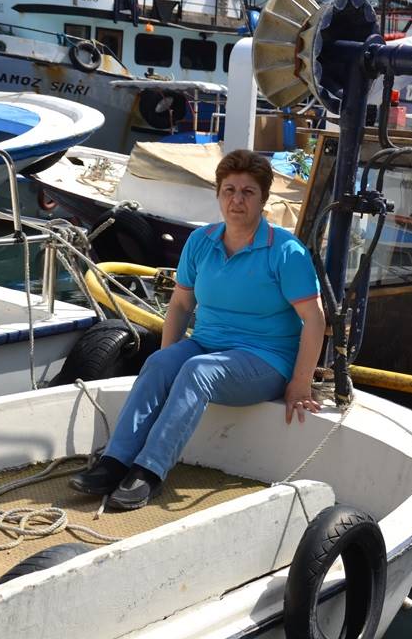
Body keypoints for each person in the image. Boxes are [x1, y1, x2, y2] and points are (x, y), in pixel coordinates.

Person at [69, 149, 326, 509]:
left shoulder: (285, 251)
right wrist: (167, 362)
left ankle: (149, 471)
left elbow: (314, 318)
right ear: (219, 195)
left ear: (263, 199)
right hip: (207, 345)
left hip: (266, 359)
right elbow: (179, 305)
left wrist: (300, 382)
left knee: (196, 371)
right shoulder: (201, 241)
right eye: (229, 190)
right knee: (159, 363)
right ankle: (115, 461)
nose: (237, 200)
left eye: (248, 192)